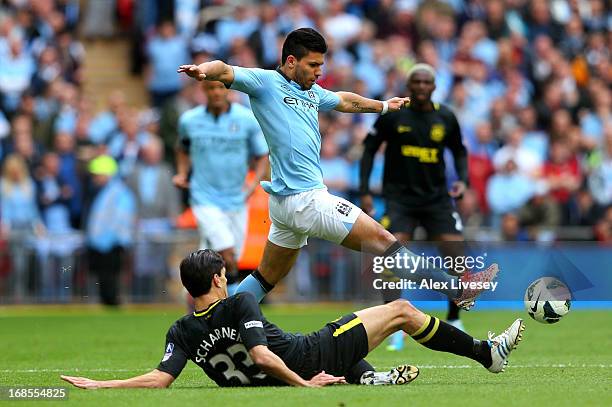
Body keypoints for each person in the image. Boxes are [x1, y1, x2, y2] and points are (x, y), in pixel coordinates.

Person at [177, 28, 498, 308]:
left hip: (287, 205)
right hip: (306, 200)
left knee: (264, 278)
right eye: (313, 65)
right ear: (291, 62)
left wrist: (384, 106)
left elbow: (343, 101)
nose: (319, 72)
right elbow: (224, 69)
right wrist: (204, 70)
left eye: (321, 65)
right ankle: (457, 288)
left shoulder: (311, 92)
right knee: (383, 241)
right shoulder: (266, 83)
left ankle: (220, 317)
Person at [61, 249, 524, 389]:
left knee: (346, 332)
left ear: (188, 290)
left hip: (287, 371)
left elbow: (161, 380)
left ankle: (366, 380)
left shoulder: (181, 329)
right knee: (402, 311)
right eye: (227, 272)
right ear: (221, 280)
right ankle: (488, 355)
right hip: (310, 357)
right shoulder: (239, 304)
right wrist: (305, 384)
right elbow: (261, 352)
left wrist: (101, 385)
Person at [360, 63, 473, 349]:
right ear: (409, 86)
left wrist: (462, 180)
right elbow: (369, 149)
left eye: (427, 82)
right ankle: (393, 324)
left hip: (436, 199)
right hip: (400, 200)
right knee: (390, 255)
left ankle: (455, 316)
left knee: (455, 250)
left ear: (434, 87)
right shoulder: (394, 116)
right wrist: (364, 191)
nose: (421, 87)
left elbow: (459, 150)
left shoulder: (445, 117)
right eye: (416, 82)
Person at [173, 80, 269, 284]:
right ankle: (231, 308)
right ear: (203, 90)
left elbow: (262, 154)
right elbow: (182, 148)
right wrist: (182, 173)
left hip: (237, 199)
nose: (216, 92)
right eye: (211, 88)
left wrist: (253, 185)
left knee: (214, 262)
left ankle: (200, 302)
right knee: (227, 253)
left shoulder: (246, 119)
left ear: (228, 89)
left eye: (221, 87)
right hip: (204, 198)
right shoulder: (190, 120)